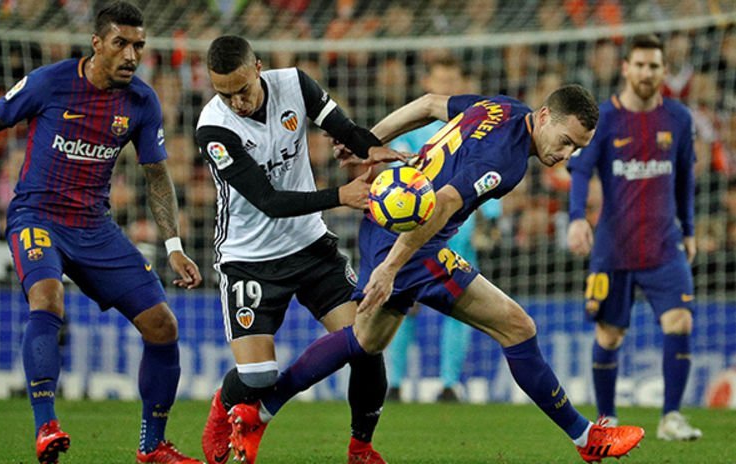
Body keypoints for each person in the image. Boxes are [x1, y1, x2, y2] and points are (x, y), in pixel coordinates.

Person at [225, 84, 648, 463]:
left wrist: (368, 142)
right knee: (517, 327)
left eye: (576, 148)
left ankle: (259, 413)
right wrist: (391, 268)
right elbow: (443, 203)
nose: (565, 155)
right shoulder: (507, 160)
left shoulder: (502, 107)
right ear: (544, 116)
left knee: (365, 340)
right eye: (566, 141)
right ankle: (586, 438)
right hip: (414, 239)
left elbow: (428, 104)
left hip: (386, 216)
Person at [0, 3, 205, 463]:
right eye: (121, 43)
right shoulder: (50, 82)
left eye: (139, 46)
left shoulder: (141, 101)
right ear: (97, 43)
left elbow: (156, 176)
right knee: (48, 299)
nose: (132, 55)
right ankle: (46, 426)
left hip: (94, 227)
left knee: (163, 325)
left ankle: (153, 446)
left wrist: (174, 247)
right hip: (37, 217)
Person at [196, 35, 406, 464]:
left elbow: (344, 129)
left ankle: (360, 448)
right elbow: (268, 201)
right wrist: (340, 196)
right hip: (249, 259)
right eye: (225, 94)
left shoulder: (294, 84)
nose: (237, 102)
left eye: (243, 90)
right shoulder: (214, 128)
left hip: (310, 246)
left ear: (258, 68)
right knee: (258, 377)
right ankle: (225, 403)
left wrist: (372, 149)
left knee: (366, 344)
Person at [567, 34, 702, 441]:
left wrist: (689, 230)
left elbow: (686, 178)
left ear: (664, 70)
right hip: (614, 246)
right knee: (609, 335)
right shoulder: (604, 118)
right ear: (626, 68)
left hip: (665, 244)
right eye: (640, 65)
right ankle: (606, 418)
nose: (646, 73)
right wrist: (577, 218)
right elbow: (580, 170)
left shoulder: (679, 118)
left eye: (654, 66)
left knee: (680, 320)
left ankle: (671, 417)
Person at [384, 56, 499, 403]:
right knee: (403, 304)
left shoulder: (475, 129)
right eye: (441, 80)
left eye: (452, 80)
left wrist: (491, 220)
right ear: (427, 84)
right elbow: (395, 179)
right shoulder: (410, 132)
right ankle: (394, 382)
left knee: (459, 308)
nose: (447, 86)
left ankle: (449, 383)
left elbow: (487, 178)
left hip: (460, 235)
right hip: (416, 231)